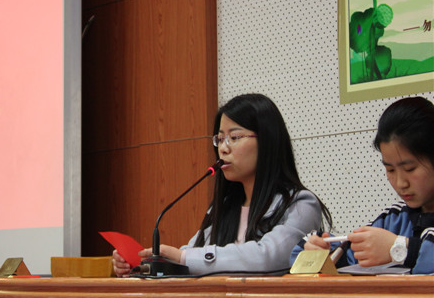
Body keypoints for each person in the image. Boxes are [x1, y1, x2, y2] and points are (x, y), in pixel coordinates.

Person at [113, 93, 332, 276]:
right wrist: (145, 264)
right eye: (219, 139)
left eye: (234, 138)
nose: (223, 149)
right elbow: (192, 255)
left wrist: (183, 257)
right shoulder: (225, 207)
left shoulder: (300, 204)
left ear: (267, 141)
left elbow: (268, 257)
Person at [290, 96, 434, 274]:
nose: (400, 183)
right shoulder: (393, 219)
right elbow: (350, 254)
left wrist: (401, 249)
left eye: (410, 169)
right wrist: (320, 251)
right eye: (390, 170)